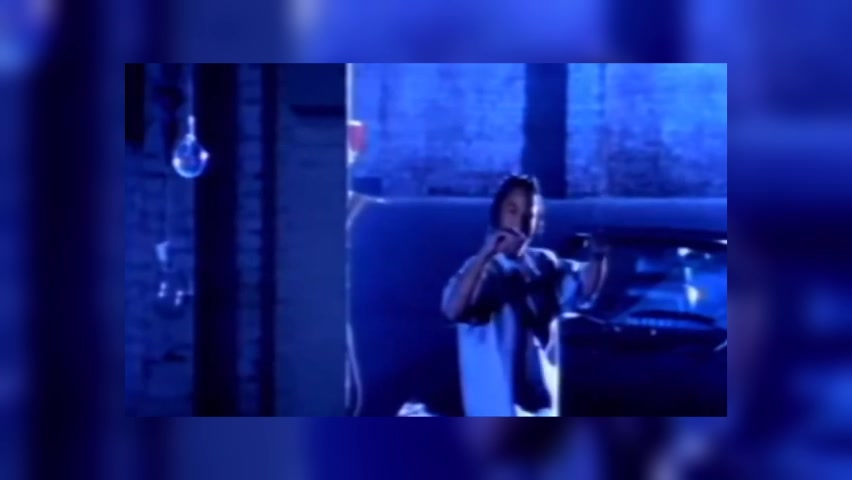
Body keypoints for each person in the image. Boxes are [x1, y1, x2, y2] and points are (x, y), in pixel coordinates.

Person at [441, 174, 605, 416]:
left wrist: (599, 254)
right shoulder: (481, 269)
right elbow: (453, 310)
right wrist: (485, 254)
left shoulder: (545, 264)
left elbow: (583, 290)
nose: (520, 222)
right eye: (512, 211)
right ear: (497, 214)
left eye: (530, 214)